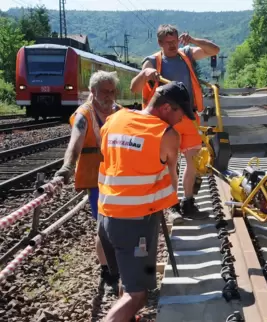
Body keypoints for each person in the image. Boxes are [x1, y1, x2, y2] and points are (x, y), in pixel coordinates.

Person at [97, 81, 195, 322]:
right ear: (166, 108)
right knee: (137, 295)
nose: (181, 120)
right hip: (135, 223)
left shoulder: (115, 119)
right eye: (181, 114)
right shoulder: (165, 134)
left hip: (106, 216)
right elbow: (172, 178)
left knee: (125, 276)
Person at [130, 24, 220, 224]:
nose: (172, 45)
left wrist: (194, 40)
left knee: (192, 160)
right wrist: (145, 75)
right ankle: (172, 205)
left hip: (187, 116)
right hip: (164, 119)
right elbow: (134, 88)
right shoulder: (152, 61)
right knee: (170, 164)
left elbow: (214, 50)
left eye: (175, 41)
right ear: (160, 43)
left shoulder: (186, 54)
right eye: (168, 42)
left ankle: (188, 203)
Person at [54, 70, 121, 288]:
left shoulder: (118, 112)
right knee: (103, 225)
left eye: (112, 91)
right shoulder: (85, 114)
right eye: (105, 92)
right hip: (95, 178)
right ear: (92, 91)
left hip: (118, 176)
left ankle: (119, 264)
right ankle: (107, 269)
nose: (109, 96)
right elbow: (75, 143)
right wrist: (67, 168)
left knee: (119, 222)